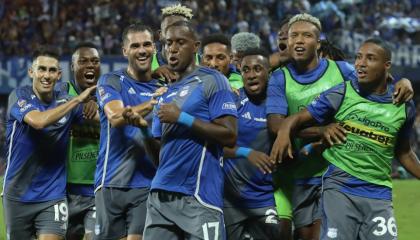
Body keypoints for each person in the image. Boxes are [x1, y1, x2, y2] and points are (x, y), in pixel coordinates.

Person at [266, 13, 414, 240]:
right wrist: (320, 130)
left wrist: (405, 82)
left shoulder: (343, 71)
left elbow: (379, 79)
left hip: (335, 174)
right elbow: (277, 124)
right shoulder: (280, 78)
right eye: (293, 35)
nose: (299, 40)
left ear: (318, 42)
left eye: (306, 35)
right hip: (300, 172)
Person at [142, 21, 237, 240]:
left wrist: (182, 118)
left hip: (198, 196)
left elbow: (230, 135)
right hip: (161, 195)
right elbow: (159, 158)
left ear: (195, 47)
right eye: (167, 43)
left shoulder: (214, 80)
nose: (172, 49)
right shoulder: (164, 93)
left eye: (180, 43)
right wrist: (144, 129)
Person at [3, 46, 96, 240]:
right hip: (17, 195)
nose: (46, 75)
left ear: (59, 74)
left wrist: (97, 104)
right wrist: (77, 101)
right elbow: (38, 121)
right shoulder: (19, 96)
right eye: (42, 69)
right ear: (31, 72)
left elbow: (106, 117)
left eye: (52, 70)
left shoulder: (66, 100)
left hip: (52, 196)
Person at [94, 23, 163, 240]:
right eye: (135, 46)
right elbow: (115, 117)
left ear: (154, 48)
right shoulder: (111, 81)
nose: (141, 50)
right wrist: (151, 103)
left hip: (146, 183)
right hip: (110, 182)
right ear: (125, 51)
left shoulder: (164, 86)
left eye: (146, 44)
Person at [222, 48, 282, 239]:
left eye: (257, 69)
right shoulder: (232, 100)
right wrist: (245, 152)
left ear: (268, 72)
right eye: (246, 70)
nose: (251, 75)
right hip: (229, 200)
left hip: (263, 197)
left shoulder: (279, 105)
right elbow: (213, 146)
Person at [64, 42, 101, 240]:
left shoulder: (109, 96)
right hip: (62, 190)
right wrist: (82, 103)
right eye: (83, 61)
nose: (90, 65)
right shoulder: (62, 94)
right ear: (72, 67)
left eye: (95, 61)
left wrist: (98, 103)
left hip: (95, 188)